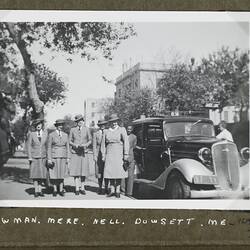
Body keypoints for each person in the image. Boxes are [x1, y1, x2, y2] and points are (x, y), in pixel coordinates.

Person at [101, 114, 129, 198]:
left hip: (119, 153)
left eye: (115, 121)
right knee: (110, 172)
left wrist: (126, 154)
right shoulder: (106, 131)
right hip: (109, 154)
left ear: (118, 122)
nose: (114, 123)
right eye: (112, 122)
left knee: (119, 172)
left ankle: (118, 191)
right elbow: (103, 144)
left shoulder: (122, 129)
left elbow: (126, 142)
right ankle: (112, 190)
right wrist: (103, 155)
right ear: (110, 122)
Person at [69, 114, 92, 195]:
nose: (80, 122)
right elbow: (69, 141)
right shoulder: (72, 130)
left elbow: (90, 140)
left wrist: (86, 145)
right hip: (75, 152)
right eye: (78, 121)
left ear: (83, 121)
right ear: (76, 122)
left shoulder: (87, 129)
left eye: (81, 120)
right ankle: (76, 188)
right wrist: (74, 145)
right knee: (76, 171)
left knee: (83, 171)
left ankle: (82, 187)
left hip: (84, 152)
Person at [47, 119, 70, 197]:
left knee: (61, 174)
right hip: (54, 156)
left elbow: (68, 147)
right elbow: (49, 147)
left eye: (62, 125)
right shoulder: (51, 135)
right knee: (54, 174)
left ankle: (61, 189)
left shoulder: (66, 135)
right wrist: (49, 159)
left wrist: (68, 157)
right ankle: (55, 189)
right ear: (56, 126)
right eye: (59, 125)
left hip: (63, 156)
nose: (60, 126)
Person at [27, 119, 48, 198]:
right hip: (34, 157)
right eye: (37, 125)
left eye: (40, 124)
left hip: (43, 157)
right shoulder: (32, 134)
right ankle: (36, 191)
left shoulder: (46, 134)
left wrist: (48, 157)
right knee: (35, 175)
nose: (38, 126)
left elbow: (47, 146)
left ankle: (40, 190)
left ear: (42, 125)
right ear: (35, 126)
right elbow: (29, 146)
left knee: (42, 175)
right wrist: (29, 157)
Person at [93, 119, 109, 195]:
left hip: (107, 153)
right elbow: (94, 146)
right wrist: (95, 156)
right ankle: (99, 187)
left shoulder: (108, 132)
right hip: (99, 154)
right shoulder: (95, 134)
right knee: (99, 171)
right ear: (99, 126)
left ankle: (106, 188)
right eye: (101, 125)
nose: (102, 126)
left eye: (104, 124)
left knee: (107, 171)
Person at [125, 125, 137, 197]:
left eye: (130, 129)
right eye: (128, 129)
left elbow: (134, 147)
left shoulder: (134, 137)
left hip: (131, 157)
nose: (129, 130)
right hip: (123, 157)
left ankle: (129, 193)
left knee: (130, 176)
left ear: (132, 130)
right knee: (123, 175)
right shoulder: (123, 135)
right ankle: (122, 190)